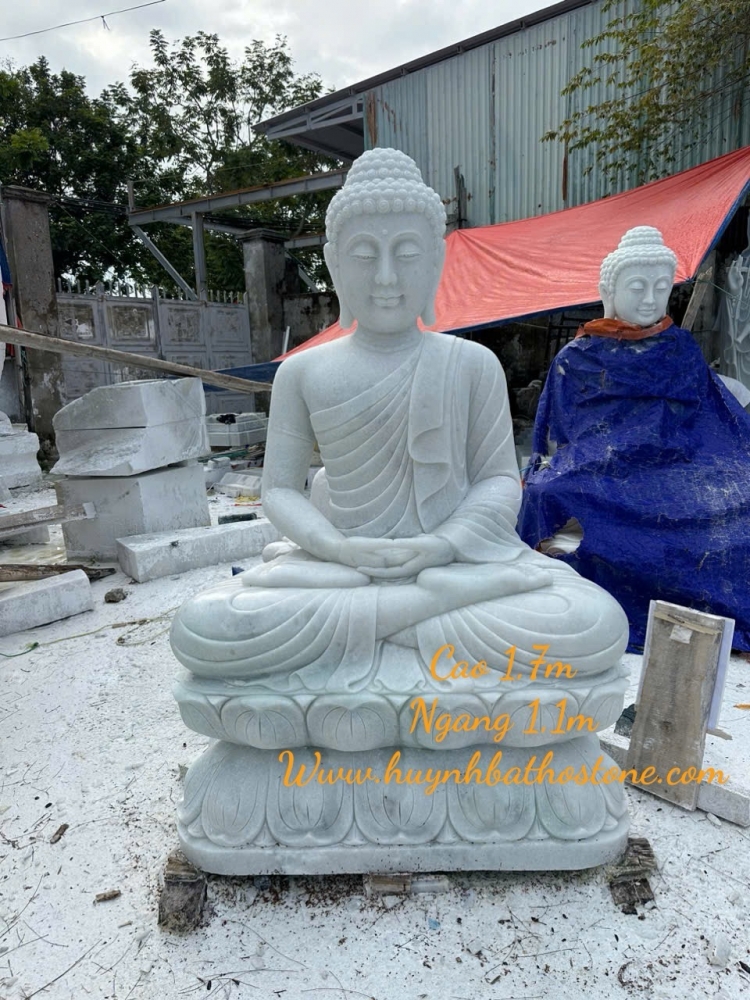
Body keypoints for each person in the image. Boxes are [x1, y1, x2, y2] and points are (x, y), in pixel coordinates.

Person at [170, 149, 628, 689]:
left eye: (406, 253)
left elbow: (500, 481)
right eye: (365, 255)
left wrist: (443, 544)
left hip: (451, 565)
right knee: (202, 626)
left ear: (435, 262)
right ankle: (415, 621)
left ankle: (381, 628)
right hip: (345, 570)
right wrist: (337, 548)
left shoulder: (472, 364)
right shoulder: (302, 372)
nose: (386, 277)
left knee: (595, 622)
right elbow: (281, 492)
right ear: (334, 264)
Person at [520, 226, 750, 650]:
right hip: (603, 469)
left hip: (677, 462)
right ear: (609, 292)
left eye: (661, 288)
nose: (650, 299)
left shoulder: (680, 349)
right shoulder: (578, 357)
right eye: (637, 287)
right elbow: (559, 436)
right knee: (548, 492)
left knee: (739, 495)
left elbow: (708, 420)